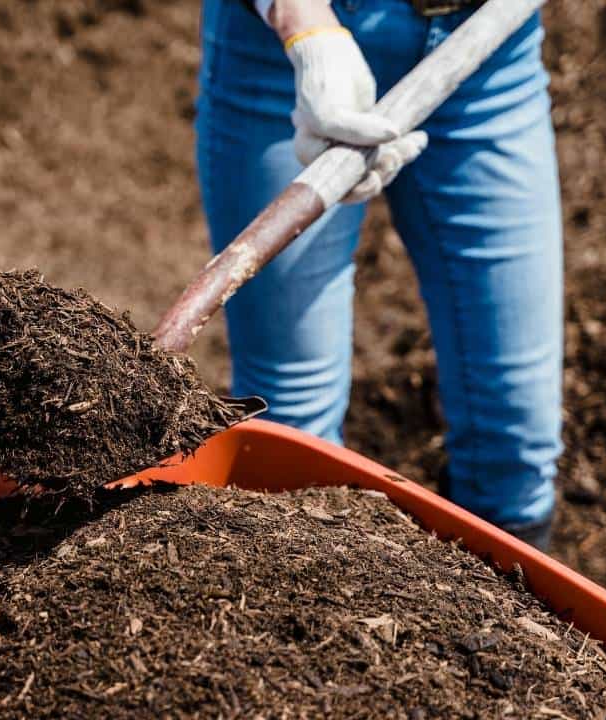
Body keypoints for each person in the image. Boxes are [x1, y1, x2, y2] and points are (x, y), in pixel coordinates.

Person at [196, 0, 561, 549]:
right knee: (292, 428)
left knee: (515, 436)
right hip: (292, 55)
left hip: (490, 46)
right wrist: (305, 27)